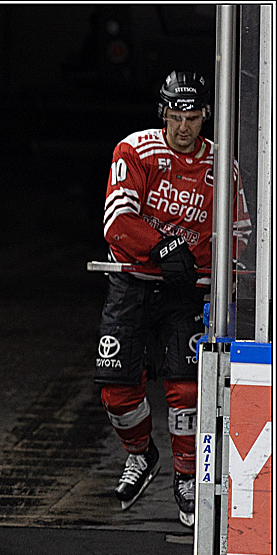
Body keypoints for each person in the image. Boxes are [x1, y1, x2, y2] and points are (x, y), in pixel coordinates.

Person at [97, 70, 252, 526]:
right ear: (161, 113)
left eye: (193, 116)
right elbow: (116, 221)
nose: (183, 127)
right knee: (116, 392)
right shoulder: (135, 150)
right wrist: (165, 247)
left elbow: (240, 234)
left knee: (186, 390)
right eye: (175, 116)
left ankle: (187, 476)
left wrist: (196, 258)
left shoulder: (223, 164)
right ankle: (141, 453)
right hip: (133, 284)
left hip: (190, 291)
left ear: (207, 115)